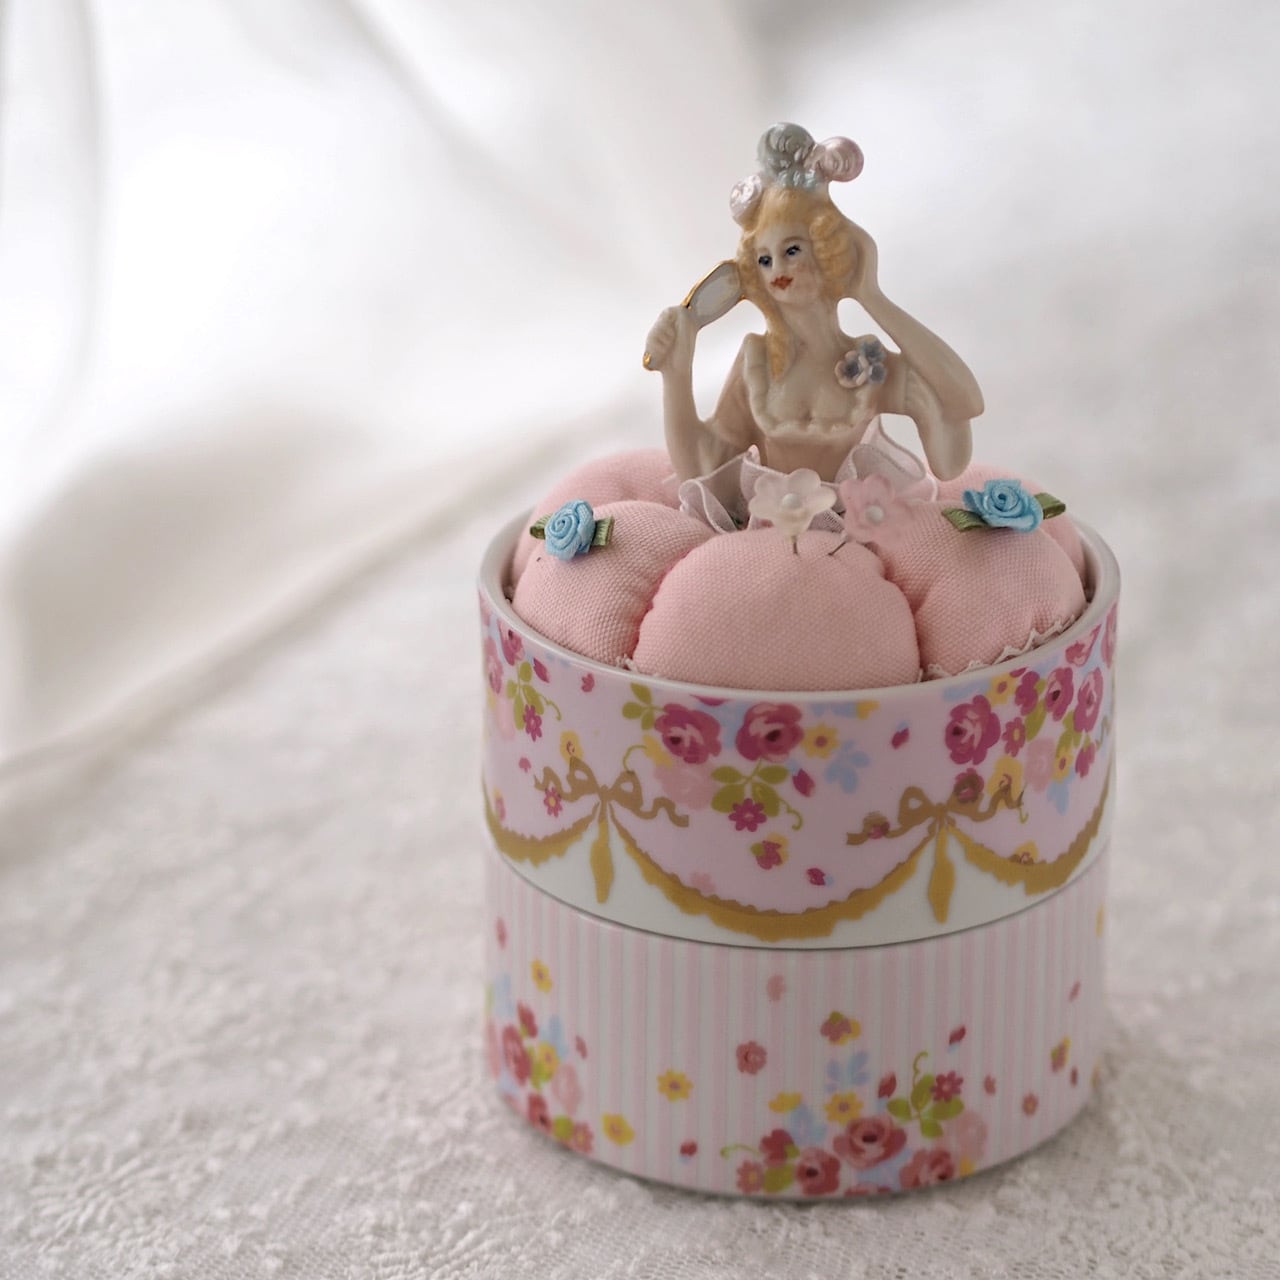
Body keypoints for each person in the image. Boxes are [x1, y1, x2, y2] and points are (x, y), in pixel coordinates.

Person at [644, 124, 984, 486]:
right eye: (765, 259)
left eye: (792, 250)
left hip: (856, 519)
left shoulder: (867, 363)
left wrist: (872, 297)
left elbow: (965, 402)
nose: (778, 269)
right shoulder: (758, 364)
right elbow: (703, 466)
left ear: (826, 252)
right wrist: (675, 375)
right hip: (770, 521)